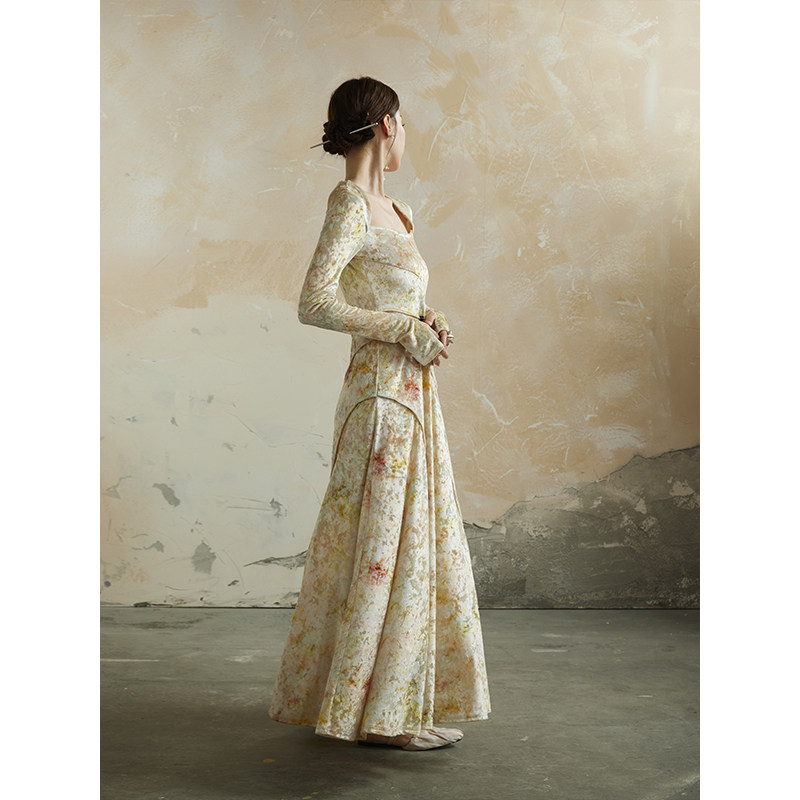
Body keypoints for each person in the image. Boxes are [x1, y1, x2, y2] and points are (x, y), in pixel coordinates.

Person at [269, 76, 491, 751]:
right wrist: (399, 328)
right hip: (378, 398)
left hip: (414, 396)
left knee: (411, 543)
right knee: (379, 545)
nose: (406, 134)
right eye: (405, 123)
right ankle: (378, 718)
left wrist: (425, 321)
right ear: (388, 123)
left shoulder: (400, 212)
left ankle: (393, 706)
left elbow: (390, 298)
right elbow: (315, 303)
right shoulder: (350, 205)